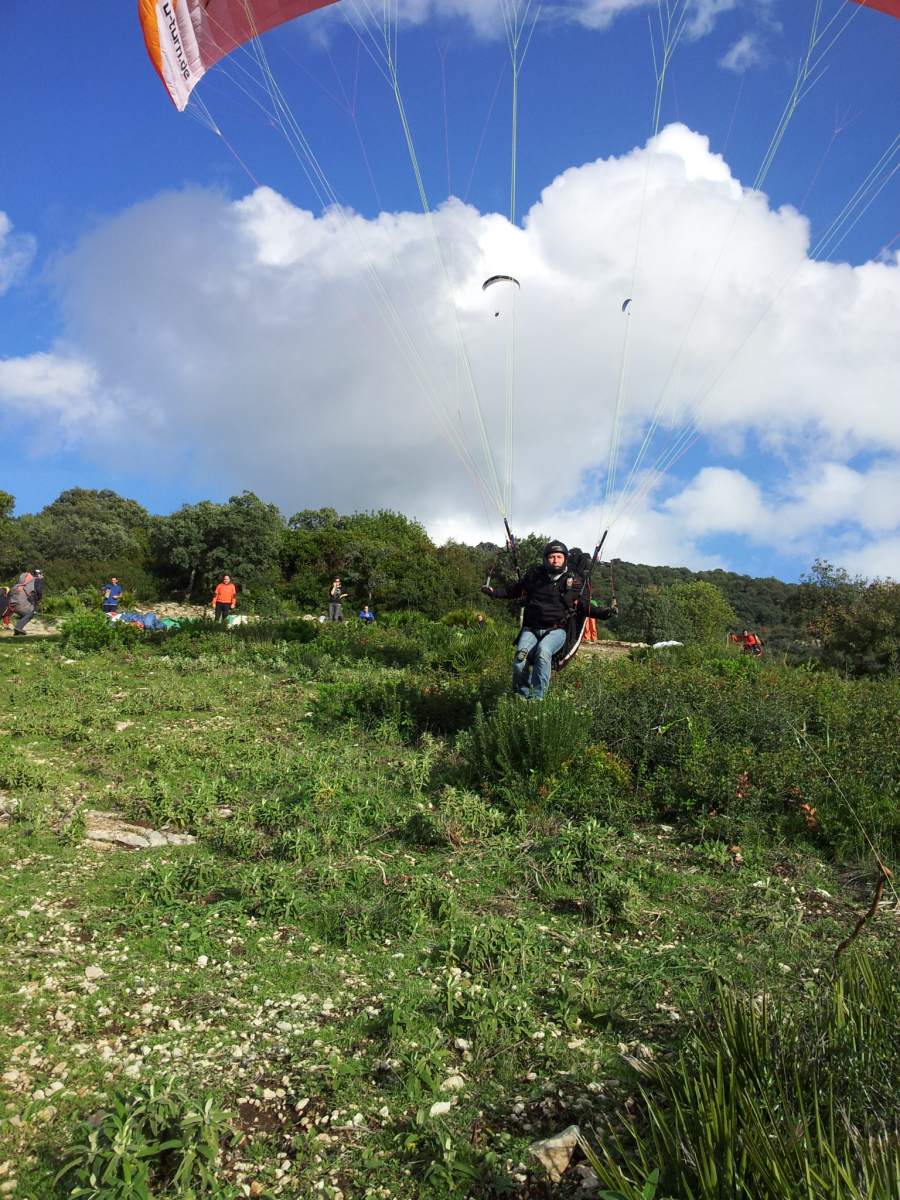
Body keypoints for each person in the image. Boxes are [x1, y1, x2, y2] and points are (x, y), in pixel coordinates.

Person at [481, 541, 617, 700]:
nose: (555, 560)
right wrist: (494, 592)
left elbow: (584, 607)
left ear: (565, 559)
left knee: (543, 652)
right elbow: (514, 590)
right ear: (546, 559)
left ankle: (537, 700)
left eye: (559, 557)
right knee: (519, 660)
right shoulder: (534, 576)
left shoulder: (573, 582)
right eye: (552, 557)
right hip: (531, 628)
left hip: (556, 630)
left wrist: (605, 613)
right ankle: (521, 698)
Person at [7, 569, 43, 636]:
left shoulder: (21, 584)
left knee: (24, 614)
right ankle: (18, 628)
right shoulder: (37, 580)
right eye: (41, 574)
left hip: (13, 605)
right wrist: (39, 599)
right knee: (30, 614)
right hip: (22, 603)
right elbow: (38, 590)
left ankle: (17, 631)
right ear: (39, 574)